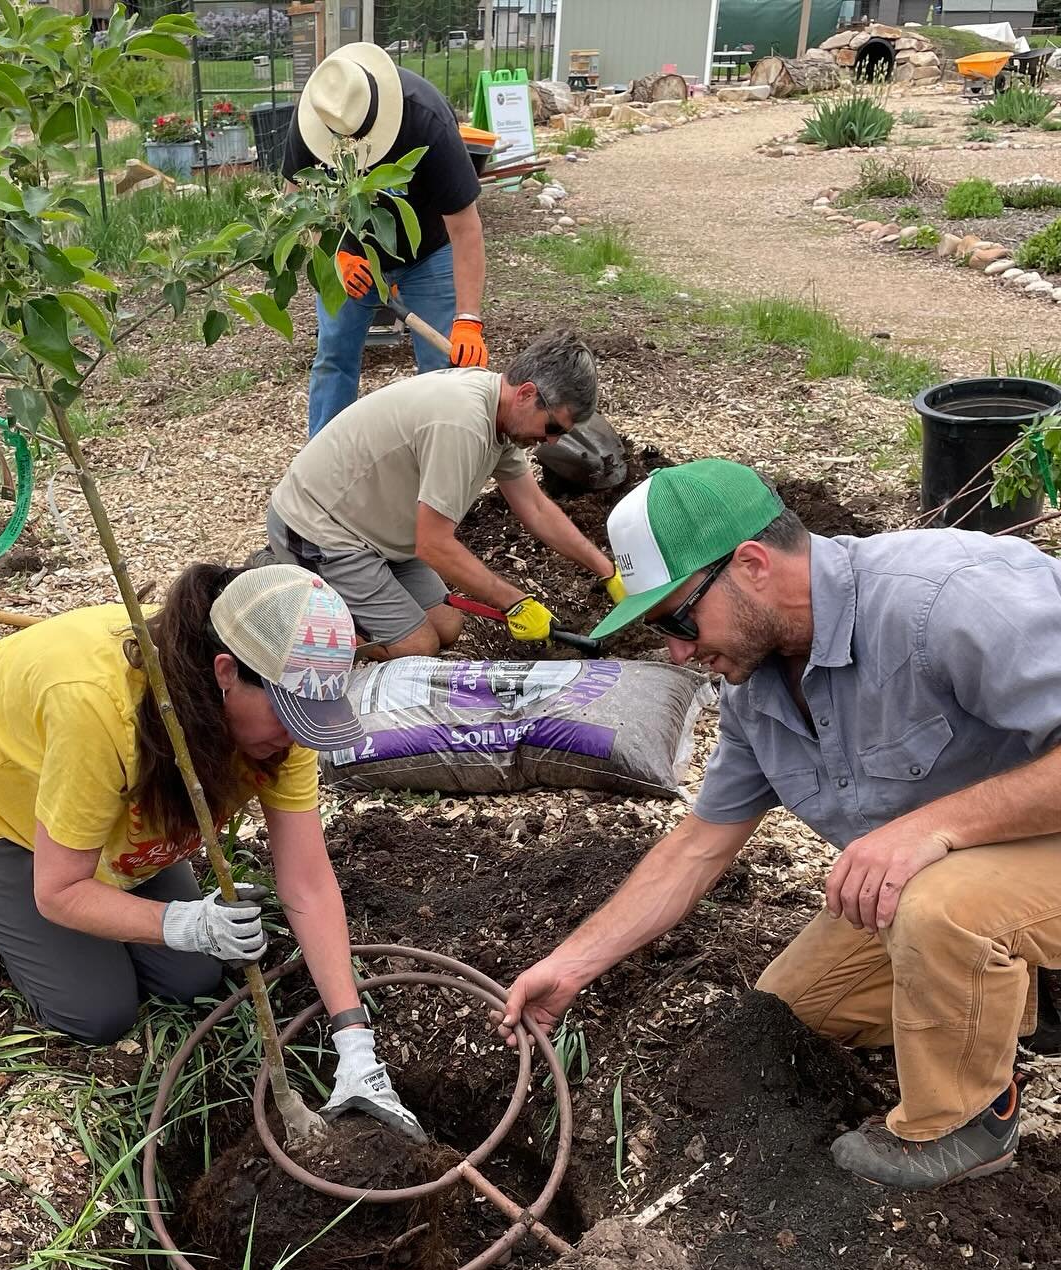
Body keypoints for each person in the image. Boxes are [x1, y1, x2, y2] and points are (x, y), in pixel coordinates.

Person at [500, 459, 1061, 1190]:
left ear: (754, 564)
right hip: (998, 858)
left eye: (677, 619)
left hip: (1005, 855)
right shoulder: (758, 694)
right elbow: (697, 848)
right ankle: (1030, 994)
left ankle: (963, 1123)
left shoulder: (948, 599)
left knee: (936, 906)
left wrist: (934, 827)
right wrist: (568, 967)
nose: (677, 651)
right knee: (795, 1011)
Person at [0, 563, 422, 1140]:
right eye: (288, 715)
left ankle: (101, 856)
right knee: (99, 1011)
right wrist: (186, 920)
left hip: (105, 810)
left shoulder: (287, 718)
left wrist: (354, 1042)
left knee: (191, 977)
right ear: (226, 673)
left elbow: (306, 881)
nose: (300, 736)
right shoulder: (100, 710)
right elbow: (59, 892)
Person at [265, 329, 626, 660]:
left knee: (447, 627)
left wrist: (606, 570)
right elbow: (433, 545)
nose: (551, 441)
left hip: (379, 533)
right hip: (318, 528)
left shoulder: (500, 416)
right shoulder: (462, 425)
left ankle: (341, 604)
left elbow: (535, 508)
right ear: (527, 394)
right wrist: (515, 601)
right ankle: (284, 605)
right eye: (553, 428)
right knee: (416, 647)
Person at [283, 42, 488, 437]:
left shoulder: (426, 119)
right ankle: (322, 462)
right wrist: (333, 256)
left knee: (442, 368)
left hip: (427, 249)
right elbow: (297, 209)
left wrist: (468, 321)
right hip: (351, 258)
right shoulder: (317, 115)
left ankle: (442, 461)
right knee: (334, 356)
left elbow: (466, 227)